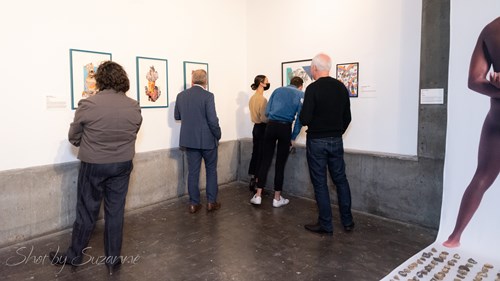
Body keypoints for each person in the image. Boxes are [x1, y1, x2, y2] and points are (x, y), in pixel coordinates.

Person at [49, 61, 143, 274]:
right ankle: (112, 262)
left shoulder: (88, 104)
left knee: (86, 211)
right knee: (115, 212)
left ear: (100, 80)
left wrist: (88, 145)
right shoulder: (134, 105)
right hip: (122, 164)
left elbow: (74, 136)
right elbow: (134, 130)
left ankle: (74, 257)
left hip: (94, 165)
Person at [443, 17, 500, 248]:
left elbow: (475, 81)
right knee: (482, 176)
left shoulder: (492, 29)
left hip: (497, 118)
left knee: (482, 176)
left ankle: (454, 237)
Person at [299, 53, 355, 236]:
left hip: (316, 141)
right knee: (341, 180)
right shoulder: (340, 87)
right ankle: (347, 221)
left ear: (314, 68)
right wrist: (336, 131)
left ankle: (326, 224)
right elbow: (347, 117)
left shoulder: (313, 89)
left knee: (320, 183)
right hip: (336, 140)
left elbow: (305, 118)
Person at [250, 76, 304, 207]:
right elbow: (300, 119)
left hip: (271, 127)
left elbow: (267, 112)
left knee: (265, 160)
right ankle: (277, 198)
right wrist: (293, 136)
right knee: (280, 164)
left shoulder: (277, 90)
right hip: (285, 128)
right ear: (300, 86)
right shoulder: (301, 94)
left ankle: (258, 196)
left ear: (289, 83)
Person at [175, 69, 222, 214]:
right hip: (207, 140)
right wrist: (218, 134)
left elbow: (177, 116)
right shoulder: (208, 96)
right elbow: (212, 120)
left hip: (190, 141)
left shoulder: (181, 96)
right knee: (211, 171)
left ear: (192, 81)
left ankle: (193, 204)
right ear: (205, 81)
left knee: (193, 173)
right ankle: (210, 202)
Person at [248, 75, 270, 192]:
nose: (268, 82)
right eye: (266, 80)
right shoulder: (263, 99)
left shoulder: (252, 98)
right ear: (261, 83)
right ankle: (258, 183)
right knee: (261, 156)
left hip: (255, 128)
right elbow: (263, 118)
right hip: (262, 128)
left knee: (255, 154)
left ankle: (252, 179)